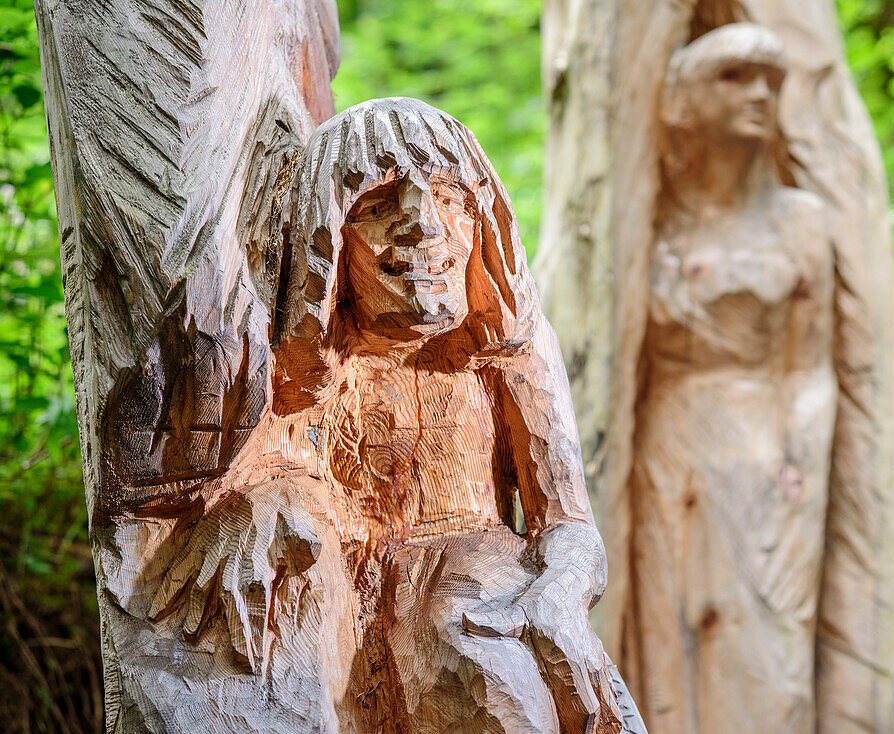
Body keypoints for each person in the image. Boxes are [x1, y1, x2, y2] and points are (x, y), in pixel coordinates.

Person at [107, 97, 637, 734]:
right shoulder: (291, 363)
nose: (424, 226)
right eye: (380, 205)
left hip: (473, 579)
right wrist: (259, 507)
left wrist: (561, 588)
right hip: (339, 587)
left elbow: (569, 523)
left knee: (490, 670)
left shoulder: (507, 345)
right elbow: (253, 470)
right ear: (326, 246)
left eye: (449, 198)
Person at [625, 24, 836, 734]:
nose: (760, 94)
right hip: (669, 447)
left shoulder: (800, 221)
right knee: (671, 635)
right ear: (684, 97)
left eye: (771, 81)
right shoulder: (645, 218)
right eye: (736, 76)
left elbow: (813, 368)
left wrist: (800, 477)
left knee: (769, 659)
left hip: (763, 455)